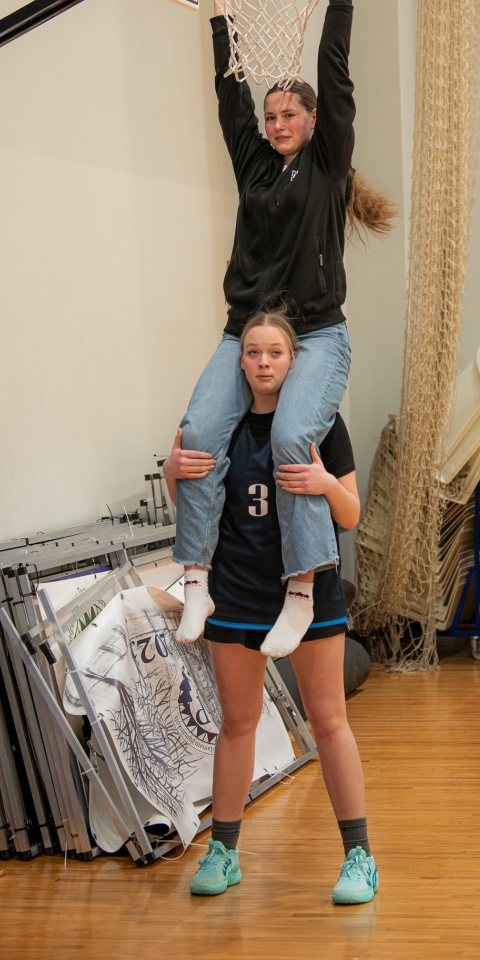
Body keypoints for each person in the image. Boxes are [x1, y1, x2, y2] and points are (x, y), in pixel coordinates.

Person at [171, 0, 393, 657]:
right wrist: (222, 10)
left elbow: (335, 70)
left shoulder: (327, 162)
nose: (275, 126)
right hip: (248, 329)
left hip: (317, 332)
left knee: (295, 439)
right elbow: (227, 93)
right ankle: (196, 579)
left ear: (313, 121)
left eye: (287, 116)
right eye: (269, 119)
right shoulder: (255, 163)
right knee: (198, 437)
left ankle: (302, 589)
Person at [163, 307, 379, 905]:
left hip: (305, 592)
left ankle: (359, 857)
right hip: (235, 590)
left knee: (328, 721)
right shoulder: (220, 422)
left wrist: (325, 484)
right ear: (239, 361)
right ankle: (224, 851)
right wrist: (172, 470)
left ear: (294, 361)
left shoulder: (319, 422)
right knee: (237, 724)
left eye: (275, 353)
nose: (263, 363)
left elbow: (350, 514)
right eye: (253, 352)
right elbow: (192, 505)